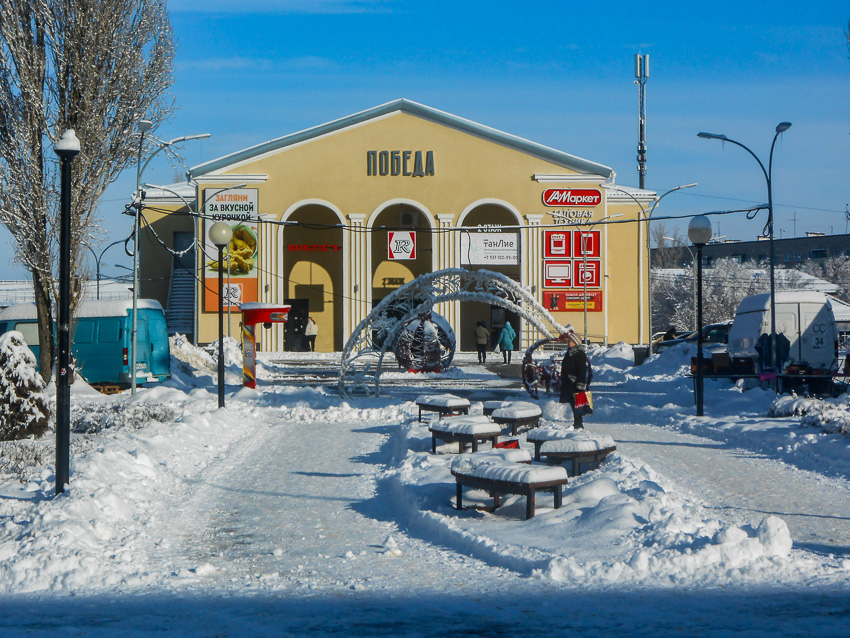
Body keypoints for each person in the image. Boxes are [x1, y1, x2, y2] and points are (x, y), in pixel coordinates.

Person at [559, 332, 593, 429]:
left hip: (575, 383)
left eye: (570, 341)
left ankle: (578, 423)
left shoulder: (579, 354)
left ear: (575, 342)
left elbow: (581, 370)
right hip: (568, 383)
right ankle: (577, 422)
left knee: (577, 404)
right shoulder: (569, 352)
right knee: (572, 402)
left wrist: (581, 383)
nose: (568, 342)